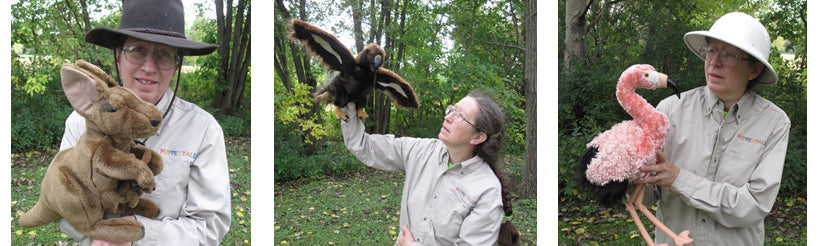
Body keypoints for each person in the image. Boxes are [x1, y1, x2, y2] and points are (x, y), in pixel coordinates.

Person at [56, 0, 232, 245]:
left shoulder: (202, 130)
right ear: (118, 56)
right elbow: (60, 204)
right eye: (137, 50)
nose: (149, 67)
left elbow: (210, 225)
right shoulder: (80, 122)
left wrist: (135, 233)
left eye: (164, 54)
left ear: (176, 65)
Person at [635, 12, 790, 245]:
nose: (714, 62)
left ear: (754, 70)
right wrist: (627, 177)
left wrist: (678, 179)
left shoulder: (773, 123)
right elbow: (648, 193)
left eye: (729, 54)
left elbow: (753, 205)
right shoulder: (669, 110)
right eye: (711, 51)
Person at [341, 92, 519, 245]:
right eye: (452, 109)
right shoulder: (421, 151)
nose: (448, 117)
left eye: (460, 116)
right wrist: (347, 102)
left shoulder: (487, 191)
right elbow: (364, 145)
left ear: (477, 137)